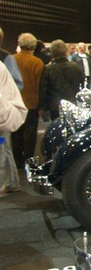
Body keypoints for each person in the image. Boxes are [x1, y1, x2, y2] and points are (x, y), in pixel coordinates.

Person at [11, 33, 44, 168]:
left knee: (16, 132)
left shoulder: (11, 60)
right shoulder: (37, 63)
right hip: (31, 103)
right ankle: (28, 160)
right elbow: (40, 85)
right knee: (30, 134)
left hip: (14, 102)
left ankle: (16, 158)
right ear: (33, 46)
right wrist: (41, 105)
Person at [0, 60, 27, 196]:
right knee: (4, 148)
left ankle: (7, 183)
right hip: (4, 119)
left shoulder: (4, 64)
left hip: (3, 120)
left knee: (2, 147)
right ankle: (12, 182)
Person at [38, 40, 83, 120]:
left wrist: (42, 108)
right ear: (66, 51)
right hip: (72, 103)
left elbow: (43, 89)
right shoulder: (75, 66)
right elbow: (81, 82)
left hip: (55, 106)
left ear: (52, 53)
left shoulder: (48, 69)